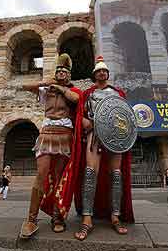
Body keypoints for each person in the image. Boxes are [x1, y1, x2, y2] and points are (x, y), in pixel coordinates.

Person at [19, 53, 83, 238]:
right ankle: (31, 219)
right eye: (59, 71)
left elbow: (76, 100)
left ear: (69, 75)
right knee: (41, 174)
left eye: (64, 71)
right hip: (47, 132)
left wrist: (61, 88)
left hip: (64, 134)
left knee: (58, 177)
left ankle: (57, 217)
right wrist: (45, 83)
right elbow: (25, 86)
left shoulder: (72, 90)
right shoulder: (46, 90)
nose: (62, 73)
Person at [74, 56, 134, 241]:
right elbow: (81, 115)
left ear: (107, 74)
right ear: (94, 75)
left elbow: (126, 116)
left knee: (116, 174)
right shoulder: (88, 94)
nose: (102, 73)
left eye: (104, 71)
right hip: (94, 135)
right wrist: (84, 121)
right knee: (90, 172)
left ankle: (115, 217)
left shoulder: (118, 93)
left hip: (116, 136)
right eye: (99, 71)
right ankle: (87, 218)